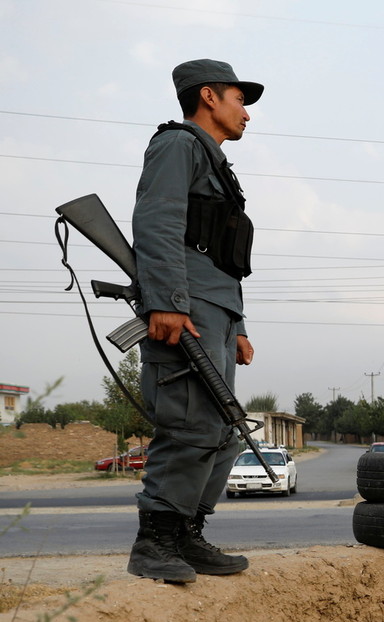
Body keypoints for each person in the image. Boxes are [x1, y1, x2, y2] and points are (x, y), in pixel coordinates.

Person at [127, 59, 264, 583]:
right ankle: (154, 543)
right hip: (183, 306)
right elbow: (158, 221)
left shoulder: (217, 166)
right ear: (208, 96)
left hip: (214, 310)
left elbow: (223, 255)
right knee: (189, 423)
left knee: (223, 428)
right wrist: (165, 301)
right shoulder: (177, 146)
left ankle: (186, 535)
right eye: (239, 99)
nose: (246, 113)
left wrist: (240, 324)